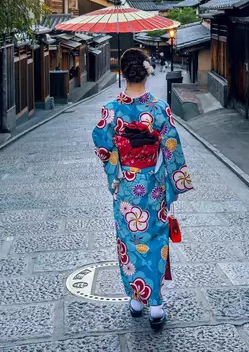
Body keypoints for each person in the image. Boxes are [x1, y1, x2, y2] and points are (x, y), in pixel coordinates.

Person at [92, 48, 193, 330]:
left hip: (126, 186)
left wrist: (117, 167)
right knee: (156, 239)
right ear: (148, 71)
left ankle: (137, 299)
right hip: (154, 186)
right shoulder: (159, 108)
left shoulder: (111, 110)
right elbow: (171, 146)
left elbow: (102, 144)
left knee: (130, 240)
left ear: (122, 73)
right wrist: (175, 178)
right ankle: (156, 305)